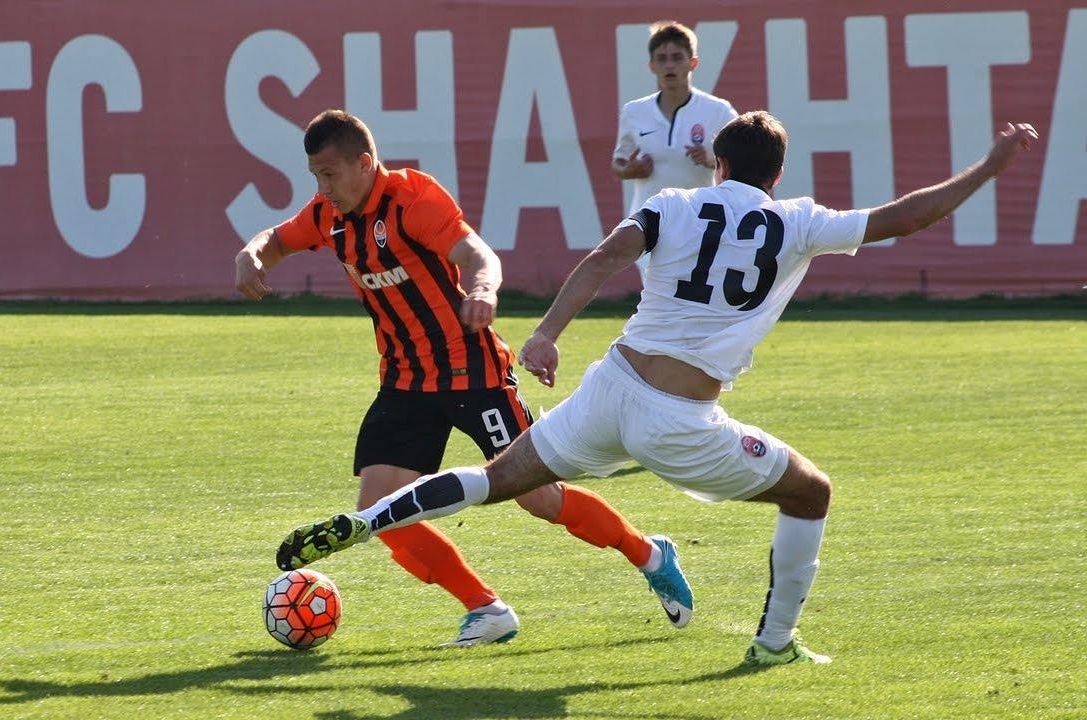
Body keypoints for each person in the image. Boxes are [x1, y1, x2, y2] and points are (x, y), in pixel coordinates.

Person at [277, 112, 1040, 664]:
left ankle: (373, 518)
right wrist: (987, 168)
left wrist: (546, 334)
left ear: (717, 167)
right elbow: (904, 218)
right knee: (811, 492)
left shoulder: (672, 203)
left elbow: (609, 255)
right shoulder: (797, 221)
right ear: (773, 176)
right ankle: (775, 646)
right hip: (678, 421)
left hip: (609, 387)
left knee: (495, 480)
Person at [236, 109, 682, 647]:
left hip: (475, 375)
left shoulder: (413, 200)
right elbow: (276, 239)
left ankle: (650, 554)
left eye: (329, 174)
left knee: (540, 499)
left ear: (364, 162)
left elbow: (477, 254)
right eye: (315, 176)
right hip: (405, 382)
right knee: (377, 512)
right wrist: (251, 253)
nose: (322, 187)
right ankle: (486, 609)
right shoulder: (329, 217)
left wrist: (483, 290)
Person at [613, 21, 738, 278]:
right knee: (660, 297)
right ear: (652, 65)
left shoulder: (719, 111)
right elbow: (619, 164)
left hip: (703, 221)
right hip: (651, 221)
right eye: (662, 58)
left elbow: (744, 164)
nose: (669, 65)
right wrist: (630, 169)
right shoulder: (635, 112)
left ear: (693, 63)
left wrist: (712, 161)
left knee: (698, 299)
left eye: (677, 58)